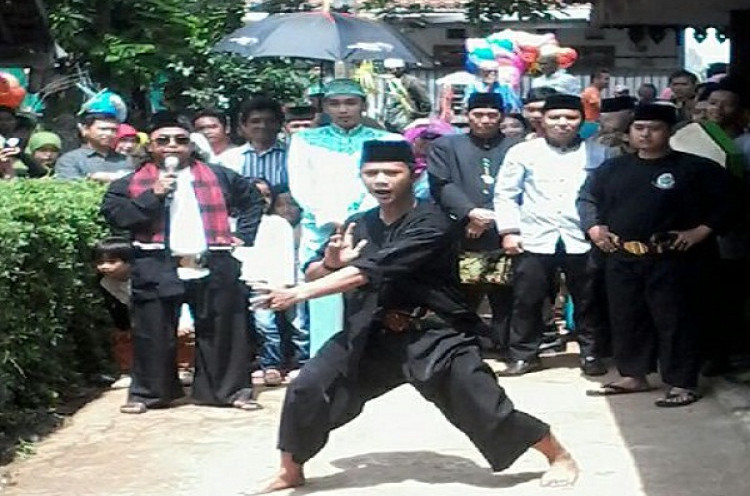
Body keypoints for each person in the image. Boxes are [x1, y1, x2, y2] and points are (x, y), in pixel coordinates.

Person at [256, 139, 579, 493]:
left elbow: (371, 270)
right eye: (371, 173)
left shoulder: (434, 221)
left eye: (391, 172)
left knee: (483, 406)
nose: (381, 180)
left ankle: (558, 454)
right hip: (372, 333)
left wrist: (298, 294)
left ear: (413, 174)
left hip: (434, 332)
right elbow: (318, 270)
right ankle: (290, 470)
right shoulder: (358, 223)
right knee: (308, 386)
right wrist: (331, 261)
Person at [100, 111, 266, 414]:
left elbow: (252, 200)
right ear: (149, 147)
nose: (172, 147)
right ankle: (150, 394)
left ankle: (227, 391)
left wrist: (243, 235)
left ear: (191, 145)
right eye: (163, 141)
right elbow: (117, 216)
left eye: (180, 140)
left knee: (221, 330)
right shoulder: (130, 183)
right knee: (153, 333)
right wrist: (154, 195)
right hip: (156, 264)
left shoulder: (219, 175)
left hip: (213, 262)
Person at [578, 103, 736, 407]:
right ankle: (634, 374)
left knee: (676, 321)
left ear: (669, 132)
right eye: (639, 128)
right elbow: (587, 199)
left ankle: (681, 382)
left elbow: (730, 202)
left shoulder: (696, 169)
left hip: (675, 259)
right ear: (629, 133)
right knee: (627, 319)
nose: (646, 134)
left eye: (654, 128)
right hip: (623, 257)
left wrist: (701, 231)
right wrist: (594, 228)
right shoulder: (612, 169)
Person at [494, 94, 614, 376]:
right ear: (542, 120)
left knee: (588, 298)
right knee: (528, 298)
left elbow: (608, 196)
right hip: (535, 234)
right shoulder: (523, 152)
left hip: (582, 237)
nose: (562, 123)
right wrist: (510, 231)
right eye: (555, 117)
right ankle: (524, 354)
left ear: (581, 121)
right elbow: (506, 193)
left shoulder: (599, 153)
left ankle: (591, 353)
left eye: (571, 118)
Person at [287, 78, 395, 355]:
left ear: (363, 106)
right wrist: (329, 217)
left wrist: (361, 216)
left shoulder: (385, 140)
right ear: (324, 107)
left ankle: (372, 356)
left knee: (370, 286)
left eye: (350, 103)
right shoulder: (305, 140)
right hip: (321, 228)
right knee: (323, 290)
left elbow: (387, 181)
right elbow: (300, 184)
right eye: (334, 104)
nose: (343, 110)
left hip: (372, 223)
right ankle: (324, 358)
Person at [428, 93, 519, 355]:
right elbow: (441, 183)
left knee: (505, 293)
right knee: (464, 292)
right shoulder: (447, 146)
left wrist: (489, 216)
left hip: (505, 232)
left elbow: (523, 187)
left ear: (502, 116)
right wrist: (469, 212)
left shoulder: (517, 146)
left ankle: (504, 345)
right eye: (478, 114)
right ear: (468, 115)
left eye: (492, 115)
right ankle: (463, 345)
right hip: (461, 232)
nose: (485, 120)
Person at [219, 97, 288, 186]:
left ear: (279, 124)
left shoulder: (294, 156)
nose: (263, 126)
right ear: (244, 125)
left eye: (269, 121)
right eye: (255, 121)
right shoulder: (228, 160)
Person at [55, 112, 133, 182]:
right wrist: (92, 179)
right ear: (85, 129)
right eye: (103, 129)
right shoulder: (70, 160)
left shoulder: (126, 160)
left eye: (114, 130)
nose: (109, 133)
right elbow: (69, 189)